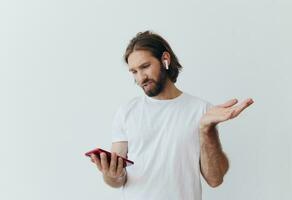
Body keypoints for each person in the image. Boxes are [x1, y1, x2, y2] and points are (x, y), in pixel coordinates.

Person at [89, 30, 254, 200]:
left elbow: (215, 179)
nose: (141, 78)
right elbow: (117, 180)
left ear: (165, 59)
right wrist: (111, 174)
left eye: (145, 67)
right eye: (134, 72)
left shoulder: (201, 110)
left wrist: (206, 130)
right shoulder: (126, 111)